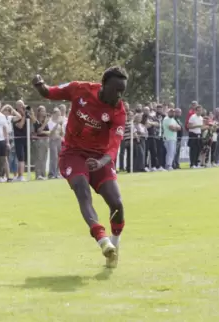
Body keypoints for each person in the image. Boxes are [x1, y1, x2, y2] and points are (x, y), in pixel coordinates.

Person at [32, 67, 128, 269]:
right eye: (116, 90)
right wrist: (40, 85)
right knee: (82, 191)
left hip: (100, 159)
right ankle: (102, 239)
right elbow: (50, 92)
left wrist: (100, 162)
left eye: (122, 91)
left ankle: (114, 246)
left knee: (117, 204)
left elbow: (113, 147)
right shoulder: (80, 89)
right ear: (104, 85)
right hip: (73, 154)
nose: (119, 95)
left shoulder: (118, 111)